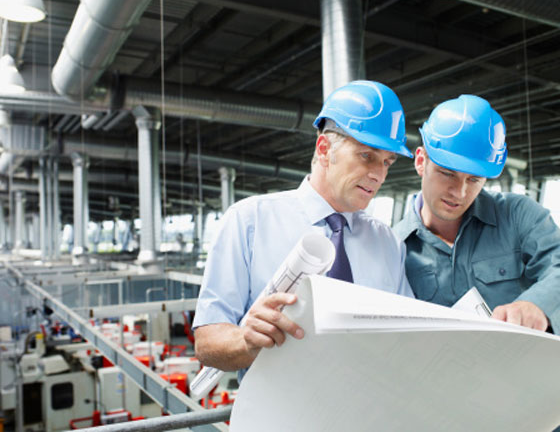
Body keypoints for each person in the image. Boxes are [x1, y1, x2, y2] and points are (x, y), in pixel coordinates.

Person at [193, 80, 414, 377]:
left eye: (388, 162)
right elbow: (207, 344)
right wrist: (245, 340)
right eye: (367, 156)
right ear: (324, 149)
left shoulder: (388, 243)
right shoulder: (249, 222)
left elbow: (409, 336)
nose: (379, 174)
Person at [393, 94, 560, 333]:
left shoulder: (518, 216)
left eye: (474, 179)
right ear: (421, 161)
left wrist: (538, 305)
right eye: (447, 174)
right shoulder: (395, 248)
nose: (460, 193)